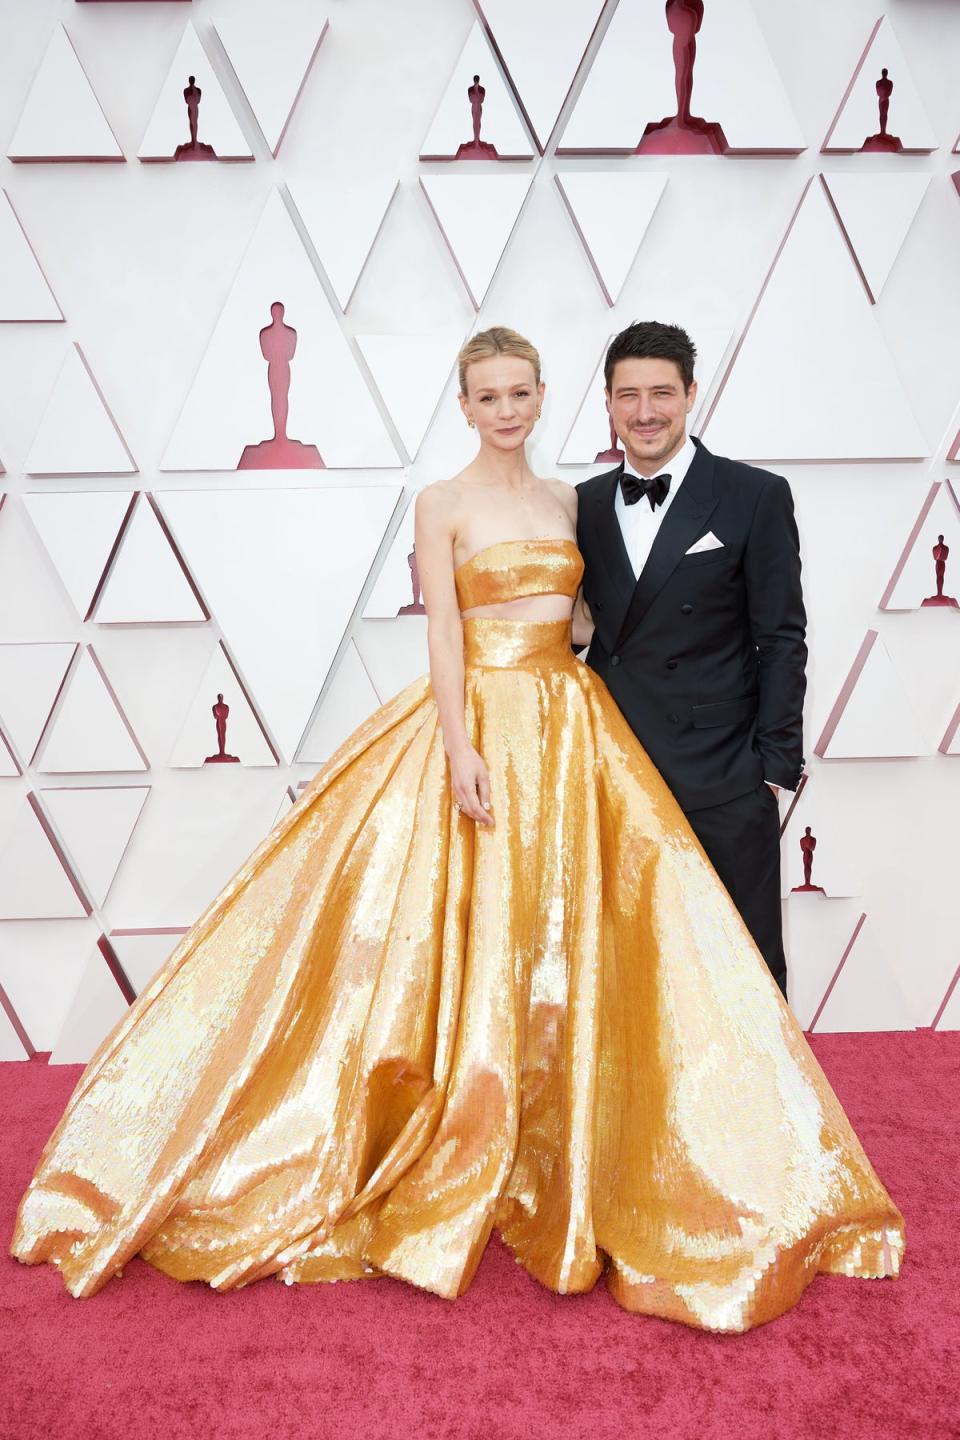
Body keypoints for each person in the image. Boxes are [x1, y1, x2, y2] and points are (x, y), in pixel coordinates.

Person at [10, 327, 904, 1333]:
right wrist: (460, 743)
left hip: (575, 735)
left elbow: (602, 618)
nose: (508, 410)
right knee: (466, 945)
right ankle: (469, 1144)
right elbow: (443, 628)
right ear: (467, 404)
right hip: (483, 728)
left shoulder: (576, 500)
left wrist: (750, 754)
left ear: (554, 397)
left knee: (616, 952)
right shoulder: (443, 502)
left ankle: (673, 1159)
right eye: (489, 396)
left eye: (523, 392)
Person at [576, 321, 805, 1000]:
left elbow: (782, 637)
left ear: (691, 394)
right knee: (630, 964)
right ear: (609, 404)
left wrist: (772, 767)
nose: (645, 412)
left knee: (742, 963)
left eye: (661, 393)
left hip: (723, 772)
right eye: (628, 396)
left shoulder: (753, 495)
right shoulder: (581, 504)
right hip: (615, 764)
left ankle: (769, 1107)